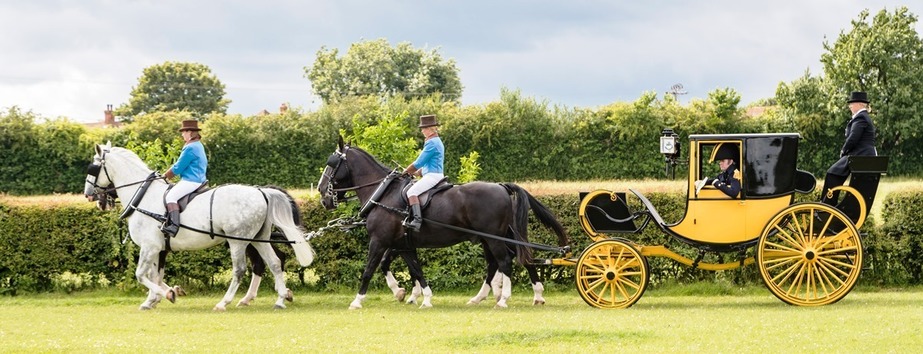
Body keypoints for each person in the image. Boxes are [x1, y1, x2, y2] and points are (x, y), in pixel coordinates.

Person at [820, 91, 877, 205]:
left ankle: (827, 204)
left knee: (832, 173)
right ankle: (829, 202)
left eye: (852, 103)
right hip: (861, 154)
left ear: (859, 104)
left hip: (860, 155)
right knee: (834, 172)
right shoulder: (863, 117)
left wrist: (843, 151)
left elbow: (853, 138)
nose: (850, 106)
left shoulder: (860, 117)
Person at [160, 119, 208, 237]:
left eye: (183, 132)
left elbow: (178, 167)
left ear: (190, 132)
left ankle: (174, 227)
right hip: (199, 179)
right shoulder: (198, 145)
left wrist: (165, 176)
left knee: (171, 196)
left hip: (191, 180)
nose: (182, 134)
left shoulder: (190, 147)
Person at [402, 114, 445, 231]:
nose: (422, 131)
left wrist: (406, 171)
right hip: (432, 174)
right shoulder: (435, 141)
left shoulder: (432, 143)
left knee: (411, 192)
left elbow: (419, 162)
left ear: (431, 128)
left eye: (424, 128)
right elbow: (430, 163)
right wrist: (419, 173)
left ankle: (417, 221)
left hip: (433, 176)